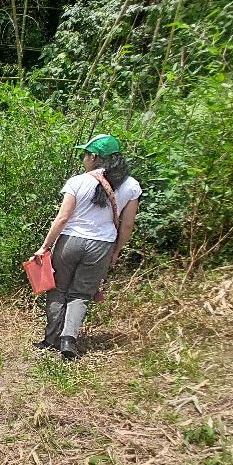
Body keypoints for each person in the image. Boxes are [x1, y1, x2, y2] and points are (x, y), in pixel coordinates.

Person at [32, 134, 141, 359]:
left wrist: (45, 246)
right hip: (102, 246)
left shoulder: (78, 181)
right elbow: (128, 225)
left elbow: (62, 219)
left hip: (70, 242)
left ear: (93, 157)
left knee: (58, 290)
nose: (83, 159)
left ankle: (51, 339)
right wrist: (117, 250)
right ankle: (68, 340)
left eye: (84, 154)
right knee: (81, 294)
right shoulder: (131, 185)